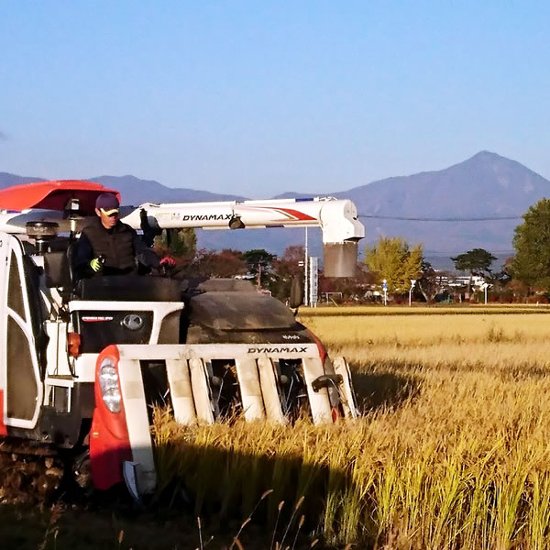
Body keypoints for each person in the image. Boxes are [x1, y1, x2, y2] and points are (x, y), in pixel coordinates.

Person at [73, 192, 174, 279]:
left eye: (115, 214)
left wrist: (158, 262)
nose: (113, 217)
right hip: (100, 286)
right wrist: (90, 264)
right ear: (98, 212)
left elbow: (142, 251)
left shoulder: (128, 231)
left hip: (129, 284)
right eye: (109, 215)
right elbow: (81, 262)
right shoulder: (88, 234)